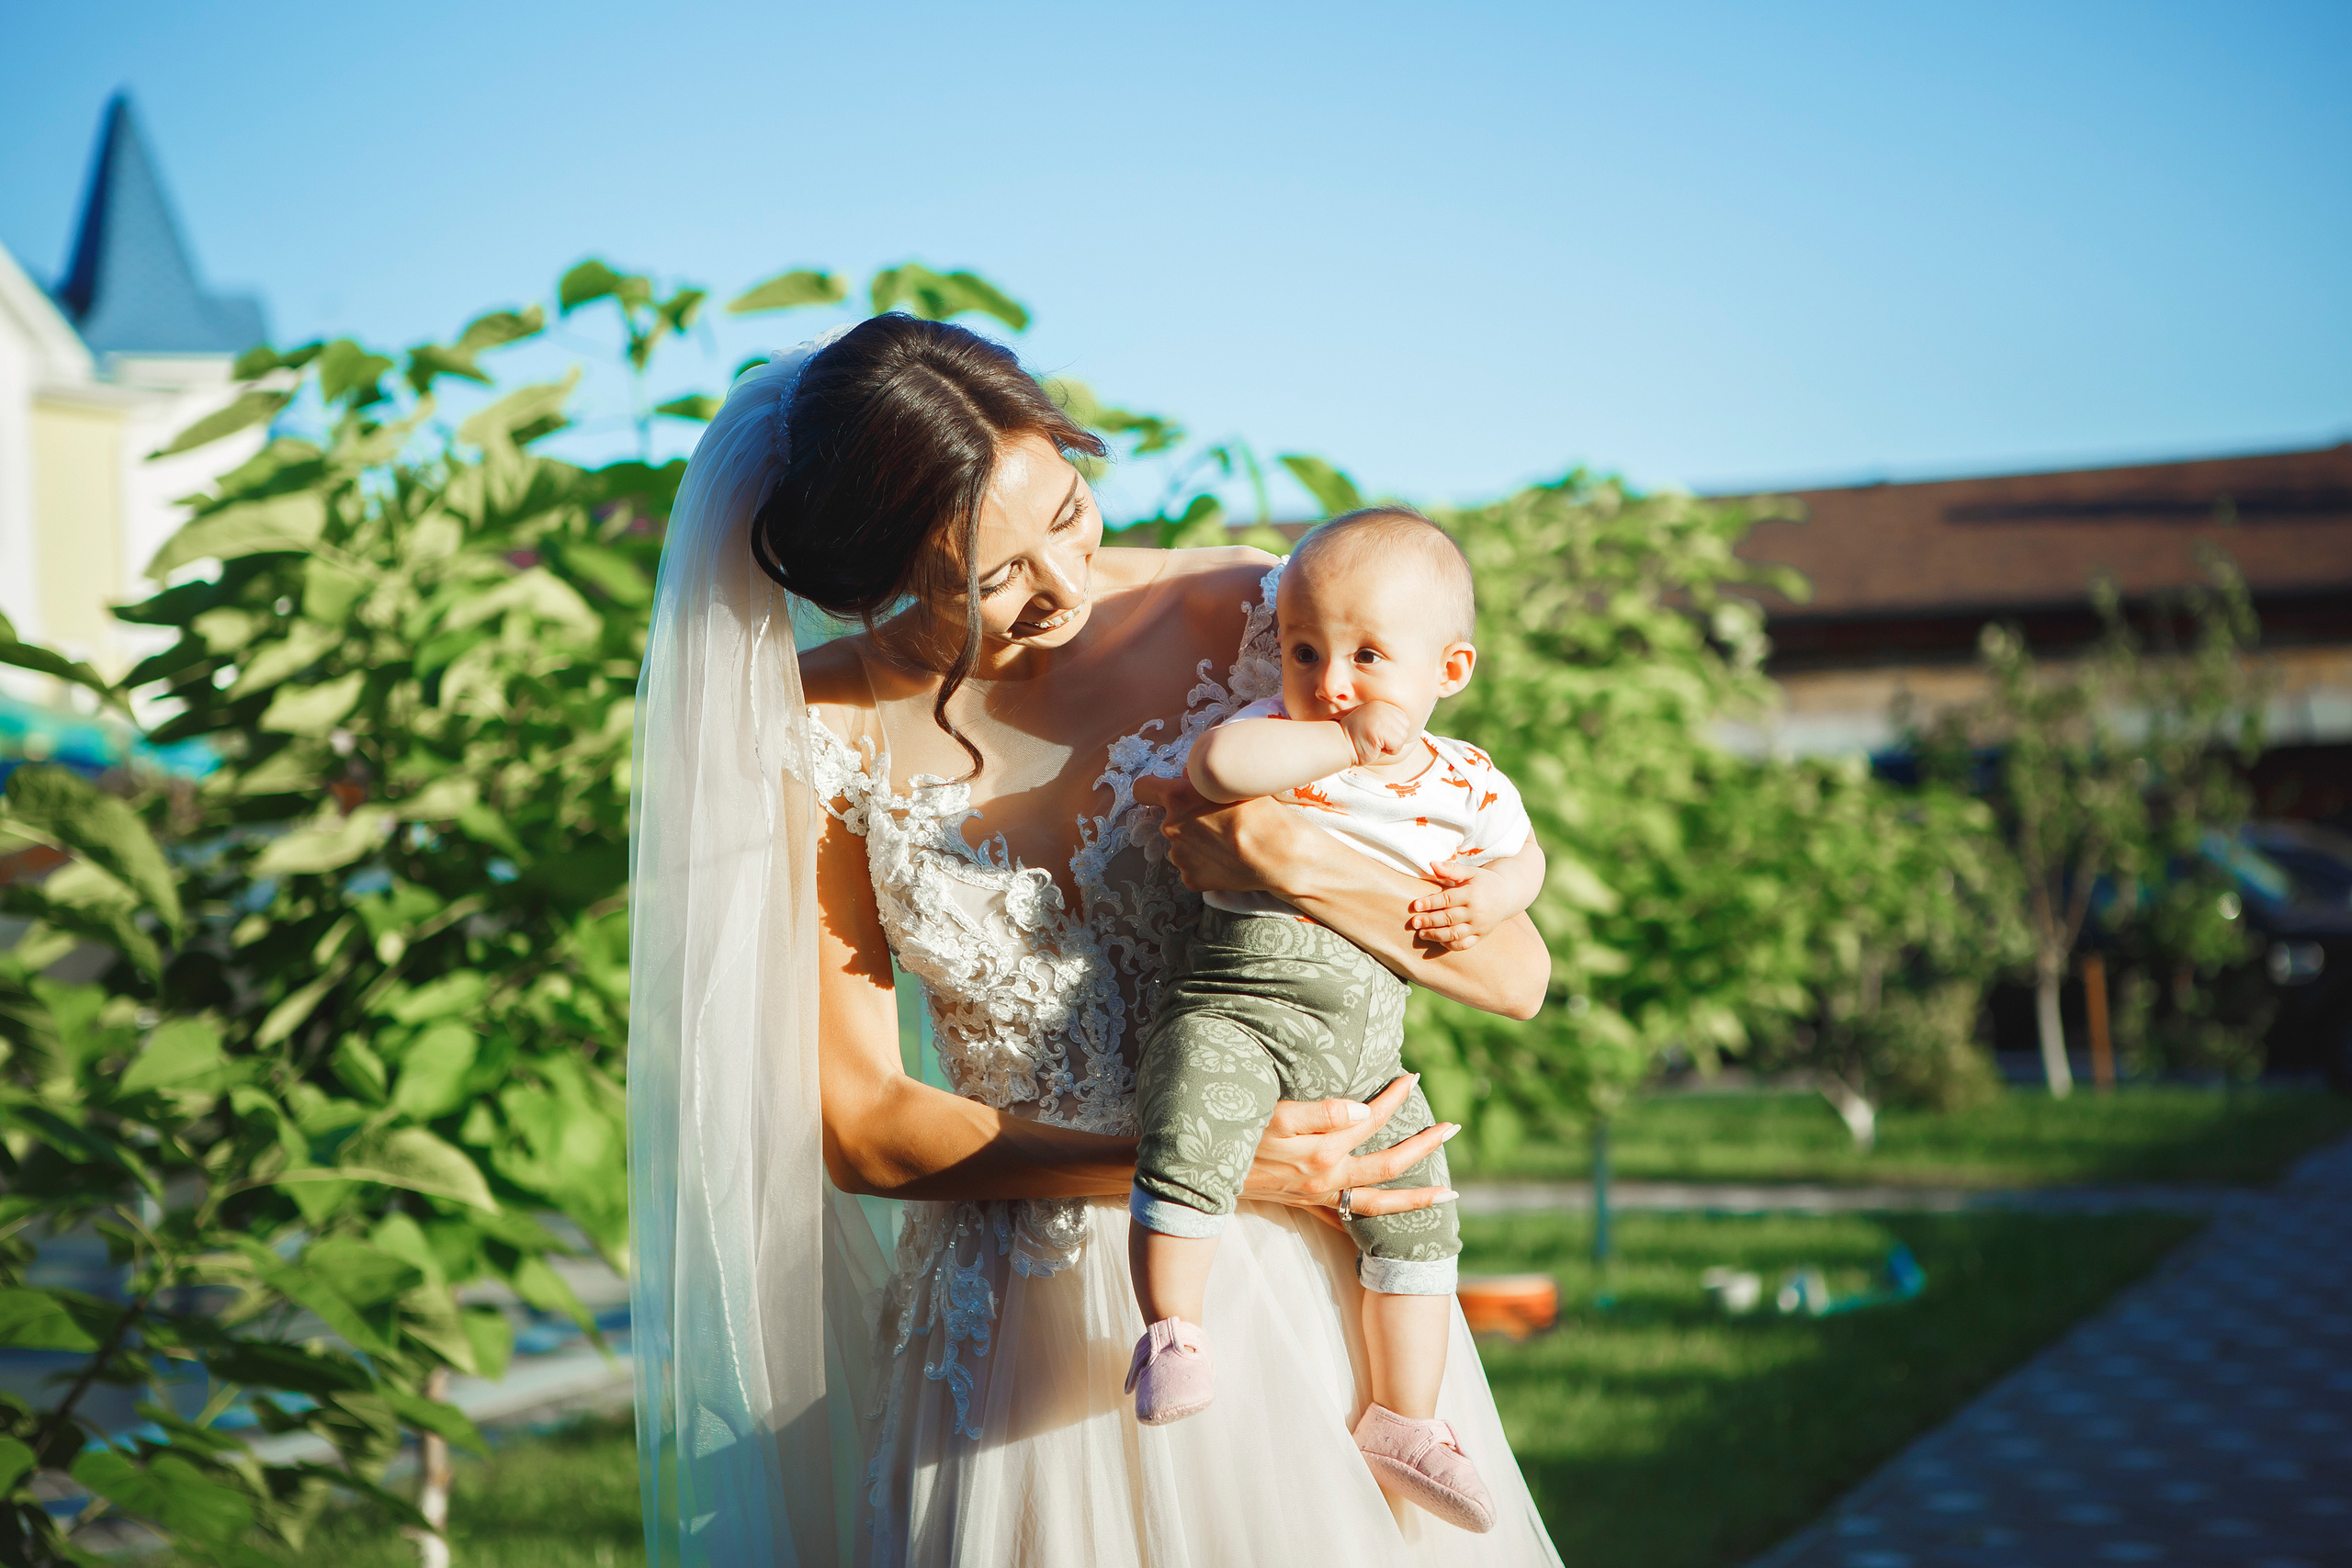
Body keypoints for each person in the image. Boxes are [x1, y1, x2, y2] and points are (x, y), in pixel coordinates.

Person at [629, 313, 1564, 1568]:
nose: (1063, 585)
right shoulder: (818, 725)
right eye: (993, 575)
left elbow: (1508, 972)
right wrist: (1198, 1163)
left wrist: (1292, 859)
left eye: (1069, 510)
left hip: (1291, 1281)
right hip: (1016, 1320)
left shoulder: (1254, 610)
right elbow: (859, 1122)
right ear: (877, 579)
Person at [1123, 508, 1546, 1539]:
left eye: (1367, 655)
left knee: (1418, 1214)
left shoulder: (1463, 778)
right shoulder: (1280, 737)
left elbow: (1522, 861)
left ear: (1450, 667)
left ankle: (1403, 1419)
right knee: (1193, 1124)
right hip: (1243, 1008)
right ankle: (1172, 1328)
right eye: (1307, 650)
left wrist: (1490, 898)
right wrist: (1329, 738)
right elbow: (1215, 770)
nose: (1333, 677)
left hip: (1364, 1047)